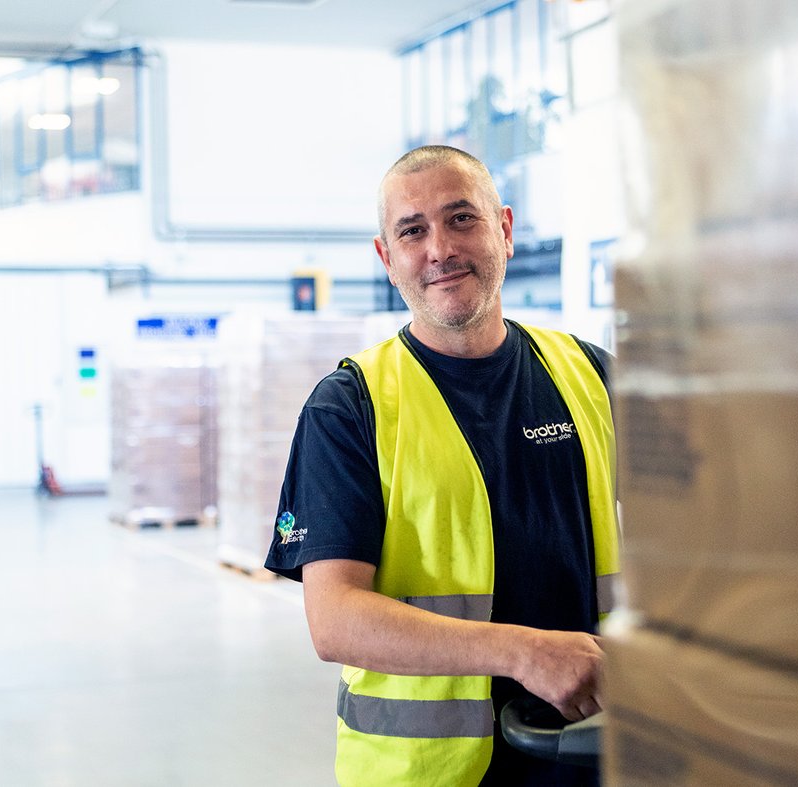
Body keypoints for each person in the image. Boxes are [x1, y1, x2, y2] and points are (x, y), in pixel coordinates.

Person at [264, 145, 618, 786]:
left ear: (504, 231)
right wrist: (525, 652)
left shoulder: (589, 375)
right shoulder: (351, 408)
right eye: (412, 231)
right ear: (387, 259)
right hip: (427, 774)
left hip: (593, 752)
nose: (440, 250)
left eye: (462, 219)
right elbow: (334, 617)